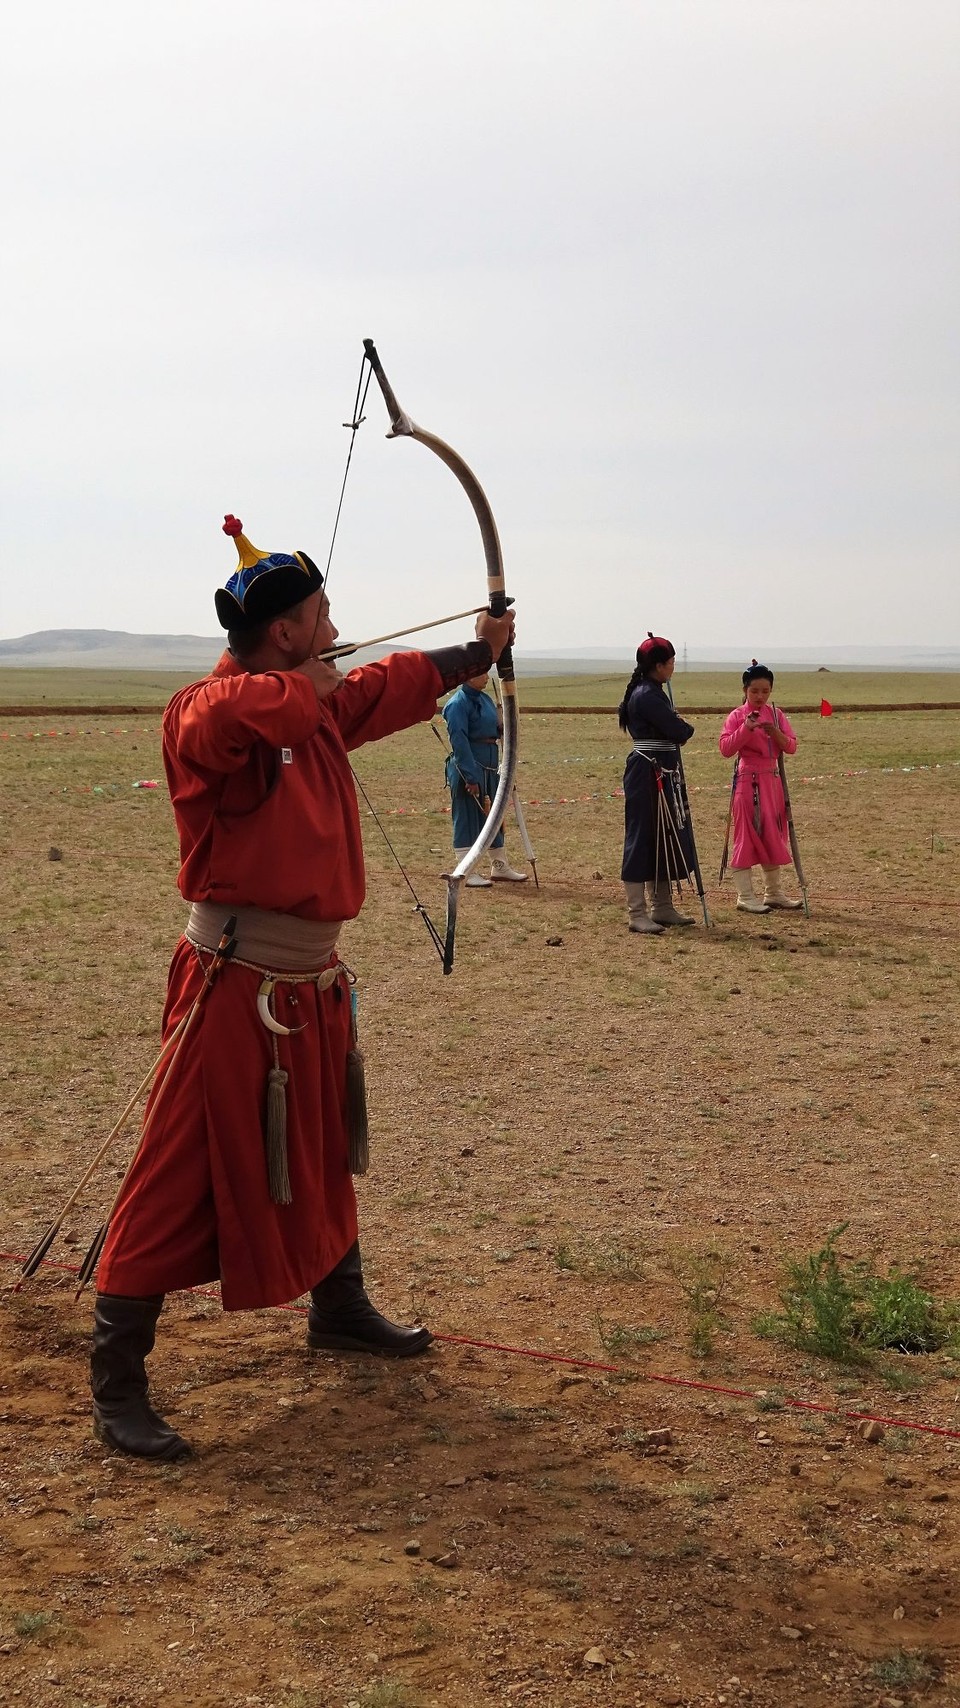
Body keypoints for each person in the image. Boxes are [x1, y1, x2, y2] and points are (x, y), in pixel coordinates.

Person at [89, 514, 517, 1463]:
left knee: (324, 1139)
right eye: (320, 614)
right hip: (230, 983)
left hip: (309, 983)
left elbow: (381, 687)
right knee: (178, 1168)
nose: (334, 626)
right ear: (282, 632)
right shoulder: (205, 712)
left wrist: (471, 651)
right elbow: (244, 714)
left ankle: (340, 1307)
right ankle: (117, 1381)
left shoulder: (313, 701)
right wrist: (297, 688)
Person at [617, 634, 698, 934]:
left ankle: (661, 906)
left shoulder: (651, 690)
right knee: (642, 836)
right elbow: (678, 731)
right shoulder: (646, 695)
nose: (674, 667)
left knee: (665, 834)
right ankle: (636, 912)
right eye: (671, 662)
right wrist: (683, 725)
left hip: (662, 770)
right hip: (648, 771)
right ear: (659, 666)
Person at [718, 661, 803, 913]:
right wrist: (746, 728)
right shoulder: (736, 716)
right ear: (745, 690)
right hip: (748, 781)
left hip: (773, 781)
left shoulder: (776, 715)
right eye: (754, 691)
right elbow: (726, 749)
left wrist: (775, 733)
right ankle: (745, 895)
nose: (759, 696)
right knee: (747, 833)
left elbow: (791, 746)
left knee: (772, 833)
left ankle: (773, 892)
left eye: (765, 691)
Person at [441, 671, 527, 887]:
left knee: (493, 817)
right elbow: (459, 742)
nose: (487, 676)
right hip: (469, 767)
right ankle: (465, 871)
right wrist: (470, 776)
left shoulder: (485, 699)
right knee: (468, 817)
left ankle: (499, 866)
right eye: (481, 673)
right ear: (468, 676)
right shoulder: (457, 704)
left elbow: (494, 731)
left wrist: (502, 725)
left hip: (490, 765)